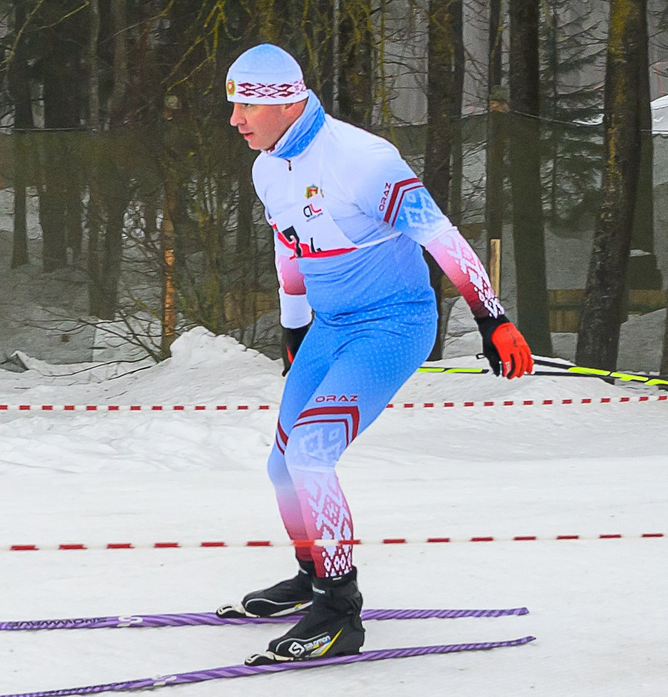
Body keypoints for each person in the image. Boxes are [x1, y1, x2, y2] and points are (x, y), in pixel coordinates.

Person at [215, 43, 535, 663]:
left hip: (393, 324)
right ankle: (313, 576)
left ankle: (340, 612)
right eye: (234, 105)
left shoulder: (361, 159)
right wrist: (294, 332)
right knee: (282, 467)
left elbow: (439, 235)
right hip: (330, 325)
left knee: (311, 453)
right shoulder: (267, 169)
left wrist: (491, 318)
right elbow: (290, 252)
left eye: (246, 105)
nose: (235, 120)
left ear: (286, 102)